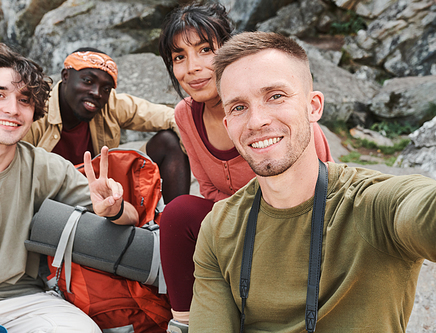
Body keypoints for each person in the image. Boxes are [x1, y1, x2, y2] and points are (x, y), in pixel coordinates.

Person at [189, 31, 436, 332]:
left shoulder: (375, 206)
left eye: (275, 96)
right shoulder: (219, 228)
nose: (256, 121)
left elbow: (423, 211)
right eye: (239, 107)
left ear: (314, 106)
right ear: (228, 126)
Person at [0, 43, 138, 333]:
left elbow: (130, 216)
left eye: (25, 100)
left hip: (23, 302)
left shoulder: (44, 166)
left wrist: (114, 207)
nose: (12, 109)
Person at [157, 3, 334, 330]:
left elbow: (325, 186)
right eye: (179, 56)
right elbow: (207, 188)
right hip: (235, 225)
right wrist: (239, 229)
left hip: (298, 229)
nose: (192, 67)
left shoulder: (276, 117)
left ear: (230, 50)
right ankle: (182, 320)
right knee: (178, 212)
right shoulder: (185, 114)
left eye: (205, 49)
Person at [22, 47, 190, 203]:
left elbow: (172, 116)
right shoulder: (36, 110)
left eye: (106, 88)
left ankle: (174, 224)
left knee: (169, 141)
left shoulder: (111, 103)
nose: (97, 93)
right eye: (88, 81)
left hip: (105, 190)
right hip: (53, 197)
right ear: (65, 76)